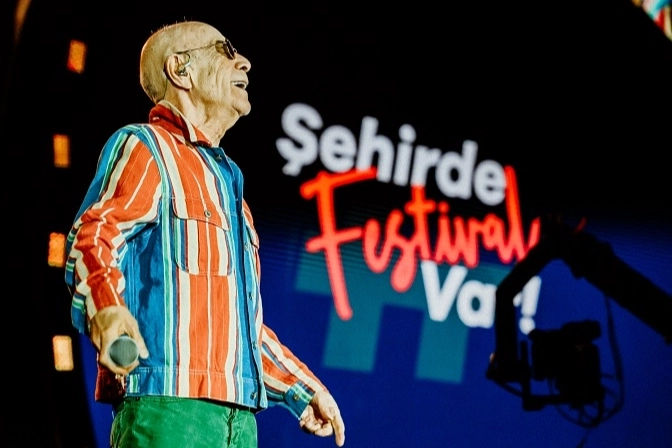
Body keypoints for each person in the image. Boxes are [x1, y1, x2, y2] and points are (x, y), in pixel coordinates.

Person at [65, 20, 345, 448]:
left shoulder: (232, 191)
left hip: (240, 423)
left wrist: (304, 388)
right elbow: (93, 235)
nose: (244, 62)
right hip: (169, 410)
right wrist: (108, 313)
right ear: (181, 70)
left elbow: (241, 328)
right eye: (225, 50)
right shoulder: (147, 147)